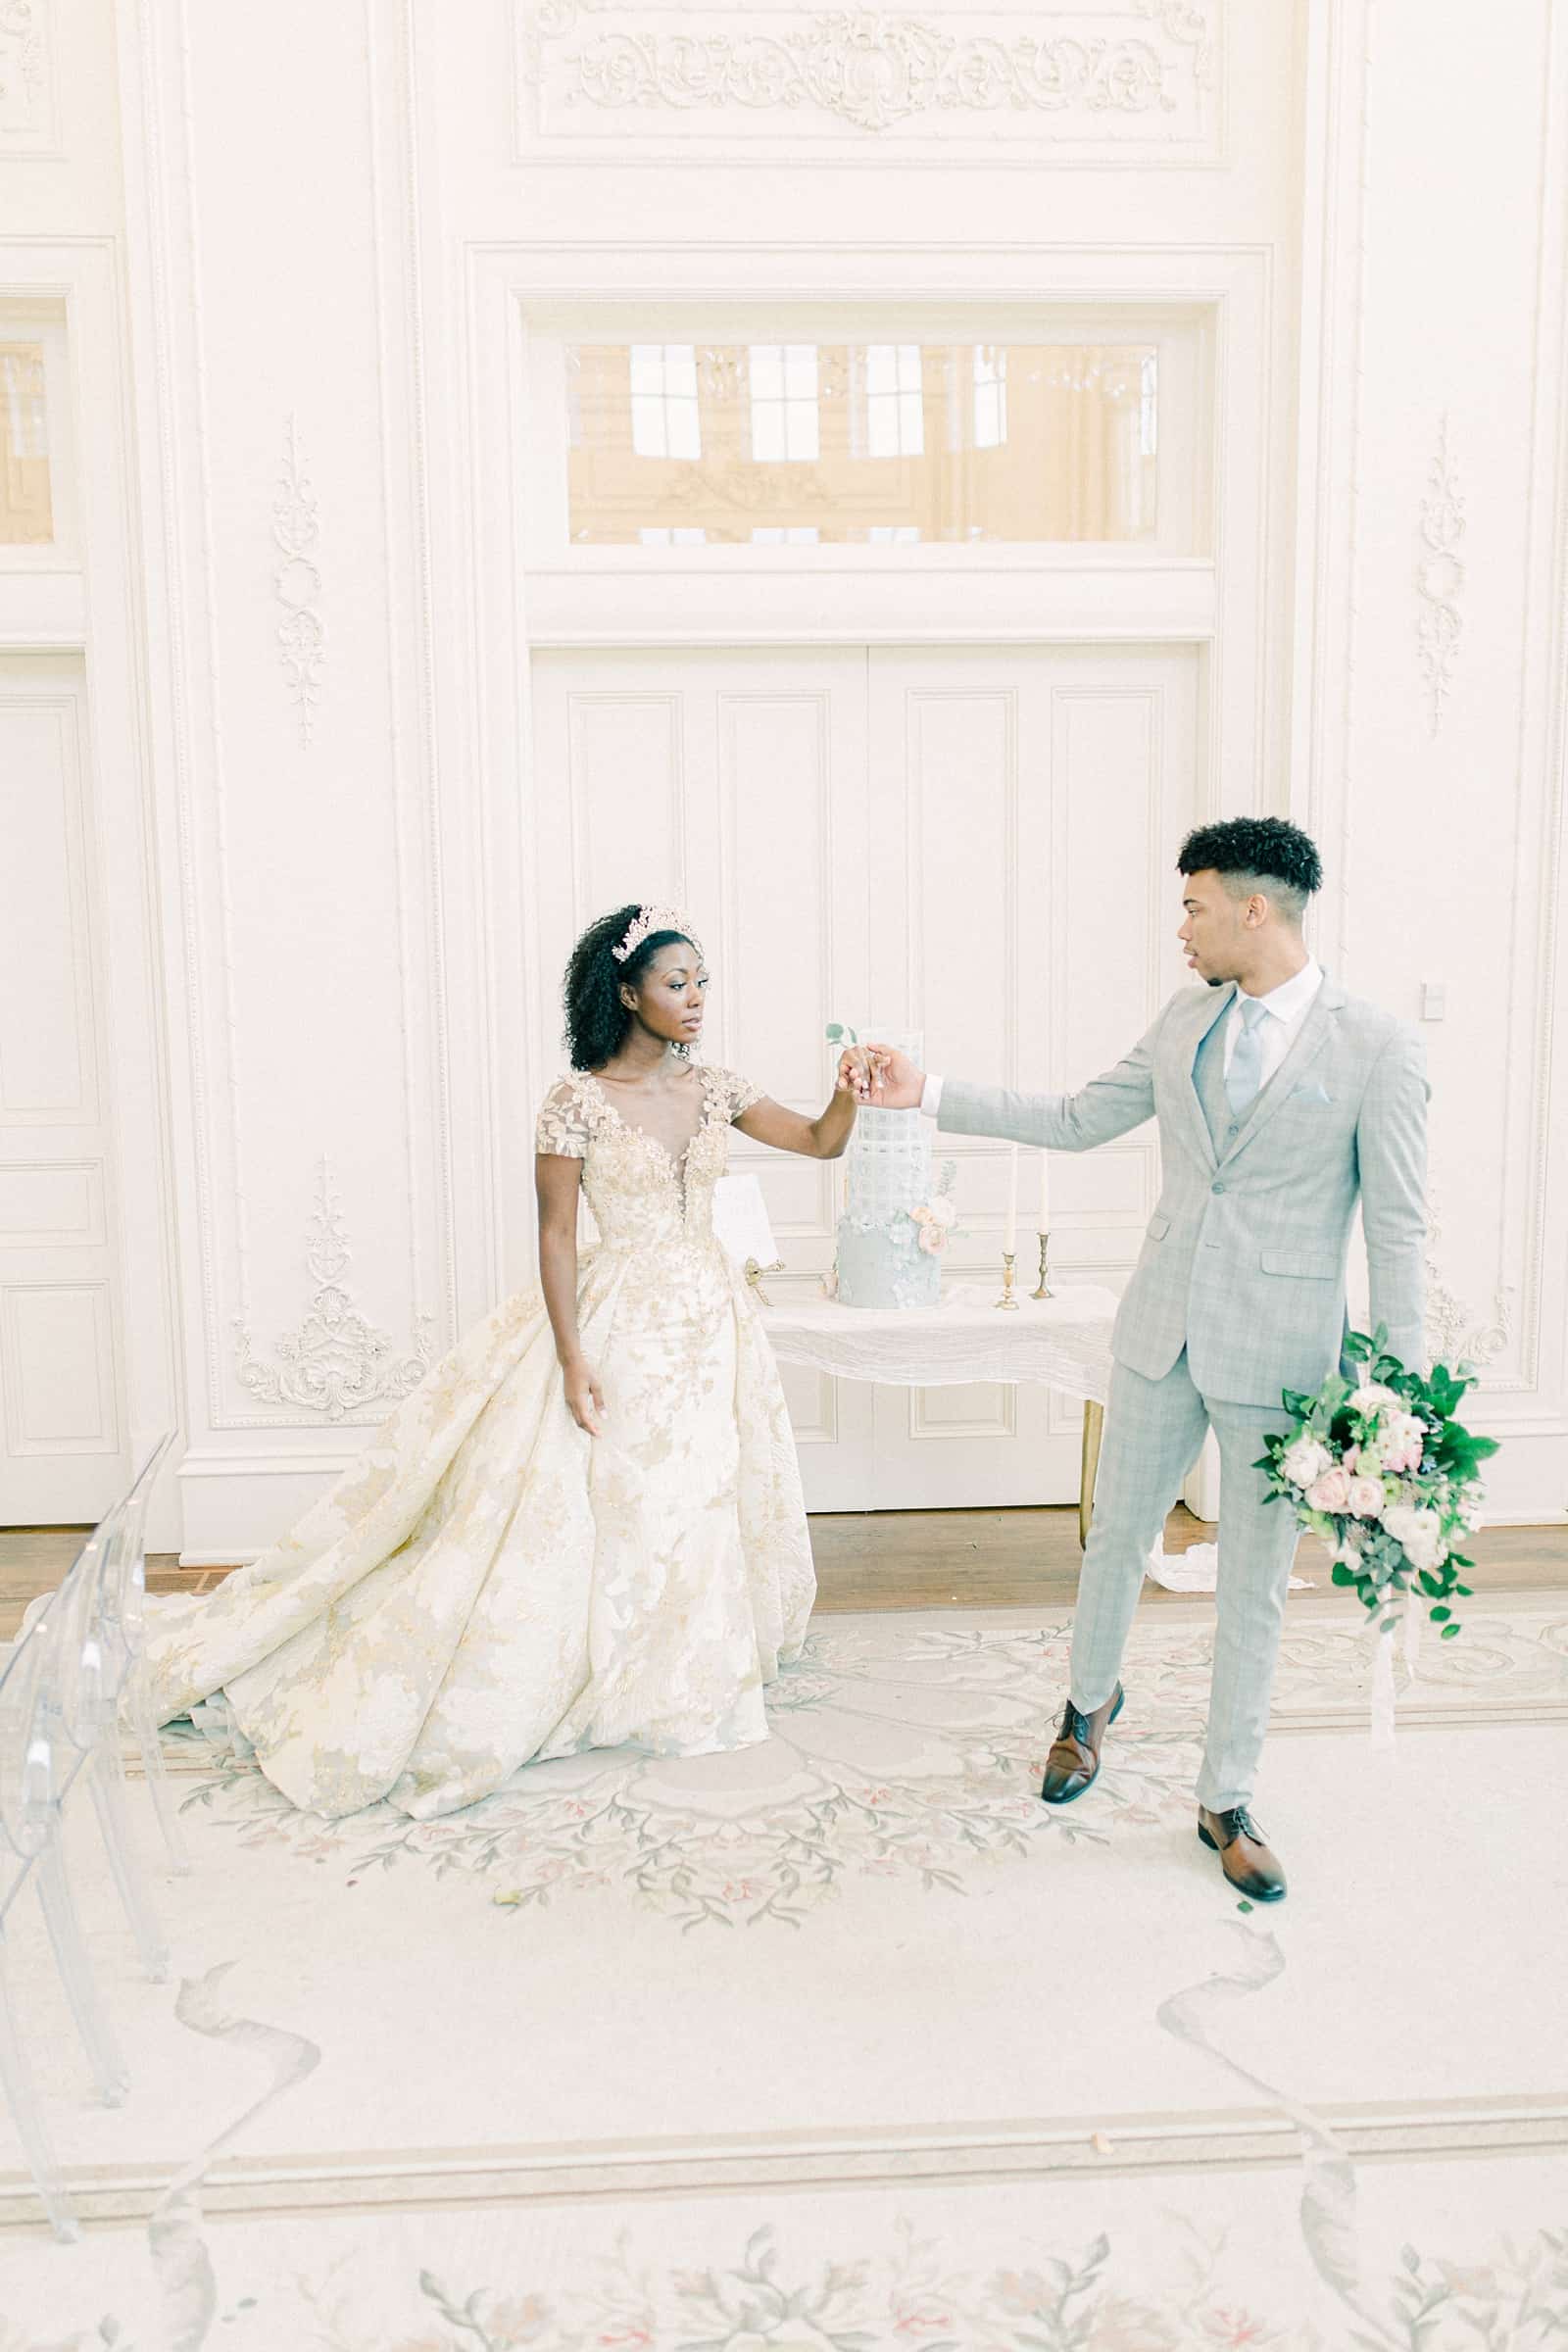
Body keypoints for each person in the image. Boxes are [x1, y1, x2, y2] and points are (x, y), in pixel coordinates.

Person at [146, 903, 877, 1820]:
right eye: (675, 983)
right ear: (626, 992)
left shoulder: (718, 1087)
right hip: (624, 1321)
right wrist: (572, 1358)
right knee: (616, 1496)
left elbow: (821, 1140)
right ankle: (590, 1666)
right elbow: (559, 1236)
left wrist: (848, 1087)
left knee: (701, 1491)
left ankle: (680, 1667)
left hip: (714, 1320)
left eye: (702, 982)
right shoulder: (575, 1102)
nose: (695, 1000)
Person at [864, 818, 1428, 1901]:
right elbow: (1078, 1118)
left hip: (1281, 1357)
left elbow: (1398, 1230)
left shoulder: (1378, 1048)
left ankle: (1226, 1795)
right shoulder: (1185, 1019)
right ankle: (1087, 1708)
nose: (1182, 927)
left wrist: (1397, 1400)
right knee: (1115, 1535)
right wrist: (924, 1091)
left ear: (1252, 910)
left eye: (1193, 905)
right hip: (1159, 1330)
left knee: (1251, 1587)